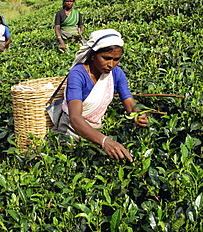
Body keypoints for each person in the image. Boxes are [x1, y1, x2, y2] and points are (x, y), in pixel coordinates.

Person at [49, 29, 148, 162]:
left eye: (116, 59)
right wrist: (104, 141)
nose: (111, 64)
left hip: (96, 129)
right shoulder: (78, 74)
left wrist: (138, 113)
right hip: (71, 130)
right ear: (93, 55)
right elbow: (75, 118)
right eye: (106, 58)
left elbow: (129, 101)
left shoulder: (116, 73)